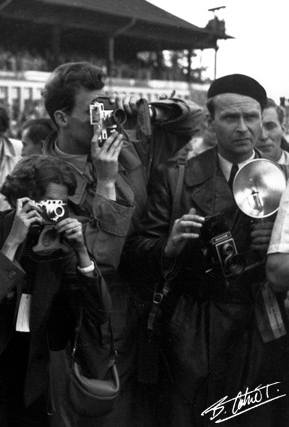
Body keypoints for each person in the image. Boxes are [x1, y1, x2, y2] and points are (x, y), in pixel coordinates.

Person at [41, 61, 202, 426]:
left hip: (145, 300)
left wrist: (149, 109)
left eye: (106, 107)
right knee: (109, 412)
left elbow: (192, 120)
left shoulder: (122, 141)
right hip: (96, 315)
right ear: (62, 118)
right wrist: (106, 182)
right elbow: (97, 258)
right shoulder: (42, 175)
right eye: (92, 112)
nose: (104, 121)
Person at [129, 74, 288, 426]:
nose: (243, 128)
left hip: (264, 323)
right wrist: (168, 246)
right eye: (231, 118)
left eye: (251, 117)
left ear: (263, 119)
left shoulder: (284, 179)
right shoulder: (177, 176)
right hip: (194, 326)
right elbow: (137, 250)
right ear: (212, 122)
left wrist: (276, 244)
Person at [0, 155, 111, 427]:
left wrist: (81, 252)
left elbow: (99, 312)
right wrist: (14, 241)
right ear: (23, 201)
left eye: (61, 206)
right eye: (49, 204)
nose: (55, 214)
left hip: (30, 376)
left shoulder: (58, 243)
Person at [257, 98, 289, 164]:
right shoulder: (236, 171)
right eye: (257, 128)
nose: (263, 136)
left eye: (270, 126)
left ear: (283, 128)